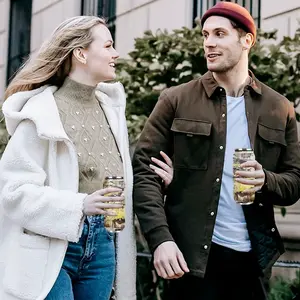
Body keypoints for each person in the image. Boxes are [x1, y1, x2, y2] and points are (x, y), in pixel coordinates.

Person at [132, 2, 300, 300]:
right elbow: (144, 172)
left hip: (252, 262)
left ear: (246, 40)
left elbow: (294, 182)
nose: (209, 42)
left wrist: (266, 181)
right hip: (192, 261)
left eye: (220, 34)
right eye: (206, 35)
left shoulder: (279, 108)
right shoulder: (175, 99)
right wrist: (160, 240)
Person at [0, 16, 170, 300]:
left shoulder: (112, 111)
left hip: (104, 243)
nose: (116, 54)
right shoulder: (40, 113)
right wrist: (79, 205)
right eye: (108, 45)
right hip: (51, 247)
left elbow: (116, 184)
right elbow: (12, 192)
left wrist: (159, 185)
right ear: (80, 53)